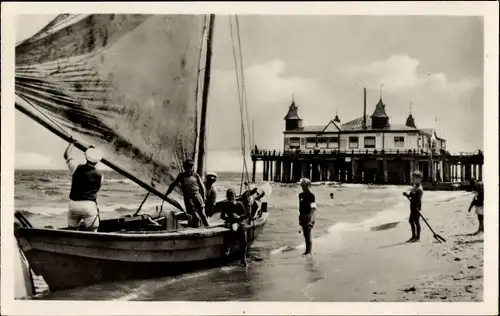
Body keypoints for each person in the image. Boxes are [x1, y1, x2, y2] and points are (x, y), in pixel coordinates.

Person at [64, 141, 104, 232]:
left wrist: (72, 143)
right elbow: (96, 190)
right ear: (98, 160)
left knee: (71, 231)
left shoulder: (75, 168)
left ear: (86, 157)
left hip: (74, 204)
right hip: (89, 206)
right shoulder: (100, 176)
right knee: (93, 232)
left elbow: (66, 155)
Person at [165, 159, 209, 228]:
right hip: (188, 199)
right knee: (193, 216)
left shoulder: (196, 175)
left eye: (191, 168)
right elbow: (173, 185)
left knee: (203, 215)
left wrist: (204, 197)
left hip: (197, 197)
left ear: (192, 167)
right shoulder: (181, 176)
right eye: (187, 168)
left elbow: (202, 188)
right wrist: (167, 194)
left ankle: (208, 228)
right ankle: (195, 229)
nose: (189, 170)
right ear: (185, 168)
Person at [220, 188, 248, 266]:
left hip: (239, 222)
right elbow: (222, 216)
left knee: (244, 240)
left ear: (235, 196)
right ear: (227, 196)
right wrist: (228, 219)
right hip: (231, 222)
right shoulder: (225, 204)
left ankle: (243, 258)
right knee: (233, 233)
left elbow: (245, 214)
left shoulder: (239, 203)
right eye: (230, 196)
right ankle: (228, 252)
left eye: (233, 195)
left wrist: (239, 217)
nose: (232, 197)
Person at [403, 170, 424, 243]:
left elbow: (417, 199)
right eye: (413, 178)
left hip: (416, 207)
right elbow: (411, 195)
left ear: (419, 179)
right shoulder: (415, 187)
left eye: (414, 178)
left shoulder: (419, 189)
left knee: (416, 222)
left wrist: (417, 209)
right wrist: (407, 195)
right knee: (411, 221)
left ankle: (417, 237)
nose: (413, 179)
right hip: (413, 206)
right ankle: (413, 236)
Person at [298, 178, 316, 256]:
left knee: (308, 234)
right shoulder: (300, 195)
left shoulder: (311, 195)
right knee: (305, 235)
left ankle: (308, 252)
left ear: (309, 185)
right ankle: (307, 251)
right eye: (302, 185)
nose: (303, 187)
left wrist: (309, 216)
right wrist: (300, 217)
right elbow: (300, 206)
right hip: (302, 216)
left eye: (305, 186)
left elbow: (313, 207)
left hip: (309, 216)